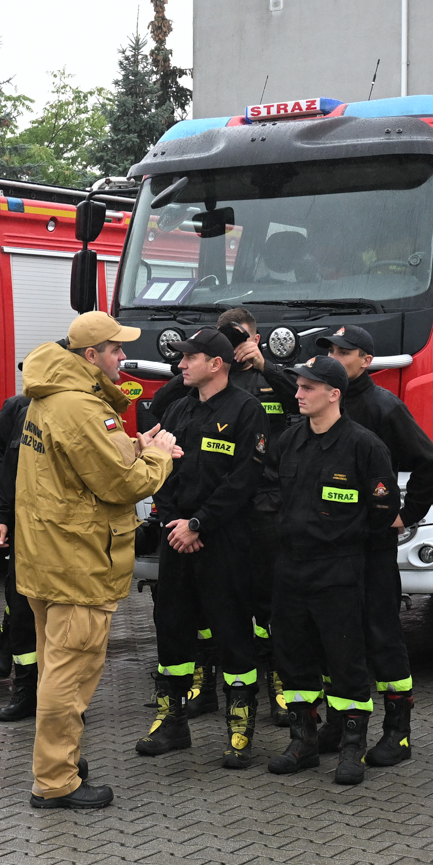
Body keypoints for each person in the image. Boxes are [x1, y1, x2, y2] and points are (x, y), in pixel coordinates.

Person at [14, 312, 178, 809]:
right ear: (90, 356)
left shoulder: (49, 398)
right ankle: (56, 780)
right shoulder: (84, 408)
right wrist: (161, 454)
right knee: (72, 675)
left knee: (54, 667)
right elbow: (122, 484)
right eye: (115, 349)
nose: (123, 357)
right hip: (79, 563)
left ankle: (60, 757)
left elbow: (79, 464)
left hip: (48, 559)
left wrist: (132, 445)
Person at [141, 309, 299, 724]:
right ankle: (192, 697)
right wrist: (179, 522)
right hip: (185, 527)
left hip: (254, 512)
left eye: (238, 338)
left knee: (262, 607)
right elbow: (163, 455)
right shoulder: (185, 401)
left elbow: (297, 402)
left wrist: (265, 363)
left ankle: (276, 687)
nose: (182, 363)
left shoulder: (256, 392)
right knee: (178, 617)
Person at [136, 327, 268, 767]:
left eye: (188, 358)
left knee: (232, 633)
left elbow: (244, 481)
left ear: (216, 364)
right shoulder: (176, 410)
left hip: (224, 542)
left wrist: (199, 523)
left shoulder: (247, 410)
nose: (180, 366)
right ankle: (172, 723)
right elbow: (161, 471)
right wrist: (176, 520)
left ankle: (239, 727)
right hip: (177, 538)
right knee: (172, 630)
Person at [264, 355, 398, 786]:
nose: (298, 394)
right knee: (294, 657)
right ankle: (302, 741)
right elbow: (268, 495)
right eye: (298, 387)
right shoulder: (288, 441)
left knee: (346, 661)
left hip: (339, 569)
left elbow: (383, 511)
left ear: (333, 394)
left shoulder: (364, 445)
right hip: (289, 568)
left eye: (308, 388)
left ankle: (352, 747)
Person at [320, 325, 433, 767]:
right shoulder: (321, 404)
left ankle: (398, 733)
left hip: (372, 551)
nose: (336, 356)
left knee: (383, 639)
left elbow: (430, 464)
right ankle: (338, 725)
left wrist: (406, 516)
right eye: (331, 350)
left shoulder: (383, 407)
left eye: (344, 351)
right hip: (331, 550)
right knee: (336, 639)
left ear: (366, 360)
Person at [0, 391, 36, 721]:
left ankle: (64, 699)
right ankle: (26, 690)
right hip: (24, 526)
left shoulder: (83, 407)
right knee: (22, 607)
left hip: (65, 534)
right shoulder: (19, 408)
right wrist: (2, 507)